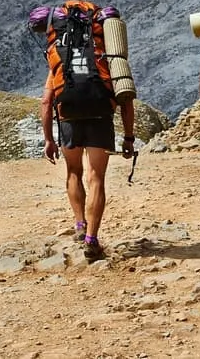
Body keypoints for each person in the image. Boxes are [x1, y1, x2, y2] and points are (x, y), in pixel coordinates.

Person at [42, 76, 135, 262]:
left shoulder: (61, 54)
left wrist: (48, 139)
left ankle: (80, 225)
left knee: (74, 171)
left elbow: (46, 101)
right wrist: (128, 137)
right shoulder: (104, 54)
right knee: (96, 178)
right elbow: (126, 99)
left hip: (68, 119)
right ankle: (91, 239)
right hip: (100, 120)